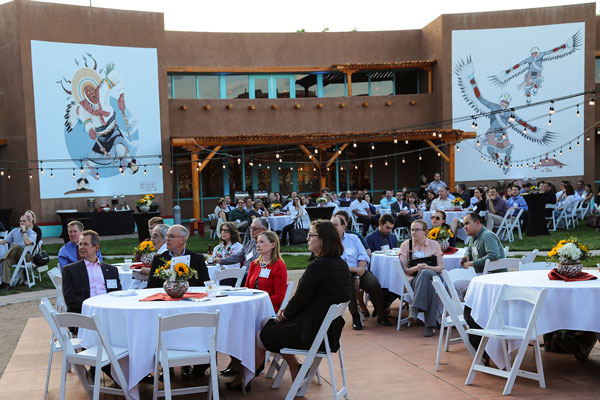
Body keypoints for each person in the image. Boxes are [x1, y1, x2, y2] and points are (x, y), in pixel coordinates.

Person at [256, 220, 352, 385]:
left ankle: (246, 380)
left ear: (322, 240)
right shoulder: (341, 265)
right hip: (328, 333)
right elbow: (306, 300)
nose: (307, 238)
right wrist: (285, 314)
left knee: (259, 335)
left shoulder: (318, 266)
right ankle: (295, 367)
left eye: (311, 235)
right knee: (266, 322)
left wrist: (284, 315)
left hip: (311, 335)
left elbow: (300, 299)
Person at [332, 215, 391, 329]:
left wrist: (358, 275)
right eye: (331, 225)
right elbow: (336, 264)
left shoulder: (353, 238)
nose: (333, 228)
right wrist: (355, 271)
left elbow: (363, 256)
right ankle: (355, 316)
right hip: (343, 274)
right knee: (347, 283)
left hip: (360, 270)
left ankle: (380, 313)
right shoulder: (329, 242)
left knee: (373, 283)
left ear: (343, 227)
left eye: (335, 225)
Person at [399, 219, 444, 337]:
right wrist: (415, 268)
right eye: (412, 229)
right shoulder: (405, 245)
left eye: (417, 230)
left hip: (434, 276)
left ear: (425, 231)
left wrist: (427, 267)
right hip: (415, 280)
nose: (413, 232)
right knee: (427, 283)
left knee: (425, 274)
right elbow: (406, 270)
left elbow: (440, 268)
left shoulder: (434, 245)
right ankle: (430, 326)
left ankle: (414, 309)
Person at [62, 230, 121, 313]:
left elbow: (117, 294)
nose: (81, 247)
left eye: (85, 244)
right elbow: (70, 299)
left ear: (96, 247)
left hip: (108, 311)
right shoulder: (70, 270)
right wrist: (93, 305)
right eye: (80, 244)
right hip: (84, 313)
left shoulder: (111, 270)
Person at [147, 224, 210, 289]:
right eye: (167, 236)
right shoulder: (158, 259)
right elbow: (151, 286)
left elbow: (205, 284)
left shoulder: (197, 259)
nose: (167, 239)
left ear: (182, 239)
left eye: (171, 236)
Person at [246, 231, 287, 311]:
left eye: (261, 242)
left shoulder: (278, 266)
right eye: (257, 242)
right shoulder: (254, 264)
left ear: (273, 245)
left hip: (268, 309)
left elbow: (279, 296)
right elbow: (247, 288)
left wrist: (258, 303)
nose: (257, 245)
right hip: (251, 307)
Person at [0, 215, 37, 289]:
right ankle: (6, 284)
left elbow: (27, 243)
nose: (22, 223)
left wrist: (24, 231)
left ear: (29, 222)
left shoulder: (32, 233)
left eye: (24, 221)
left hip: (27, 257)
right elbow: (4, 241)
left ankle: (2, 258)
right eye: (20, 221)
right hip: (16, 257)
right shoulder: (15, 231)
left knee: (17, 246)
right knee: (6, 261)